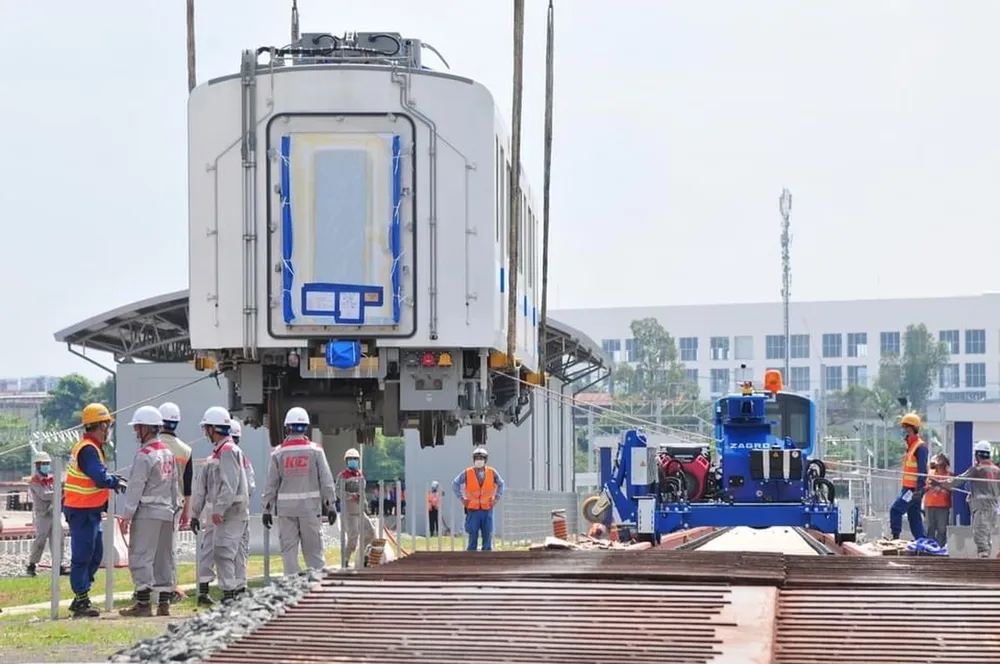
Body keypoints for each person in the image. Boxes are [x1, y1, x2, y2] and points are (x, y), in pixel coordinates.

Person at [63, 402, 126, 618]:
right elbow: (99, 478)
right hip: (80, 511)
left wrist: (113, 481)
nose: (108, 430)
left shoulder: (92, 448)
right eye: (107, 426)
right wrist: (114, 482)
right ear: (100, 426)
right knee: (83, 555)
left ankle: (81, 594)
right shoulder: (88, 449)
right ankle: (81, 600)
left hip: (90, 510)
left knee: (96, 553)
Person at [260, 407, 336, 575]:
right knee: (314, 553)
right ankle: (317, 589)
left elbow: (271, 484)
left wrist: (267, 509)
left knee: (289, 553)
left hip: (286, 511)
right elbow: (326, 479)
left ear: (288, 427)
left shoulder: (278, 452)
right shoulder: (316, 450)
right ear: (306, 427)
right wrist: (330, 505)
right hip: (310, 510)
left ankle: (293, 588)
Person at [118, 406, 179, 618]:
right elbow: (175, 486)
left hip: (147, 513)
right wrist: (175, 512)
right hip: (166, 512)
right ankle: (164, 603)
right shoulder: (168, 454)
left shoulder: (144, 455)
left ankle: (143, 603)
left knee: (141, 555)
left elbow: (136, 487)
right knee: (164, 558)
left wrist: (127, 515)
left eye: (137, 427)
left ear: (145, 428)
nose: (136, 432)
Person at [199, 406, 250, 602]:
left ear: (214, 428)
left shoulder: (227, 450)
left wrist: (219, 509)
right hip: (232, 510)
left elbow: (230, 484)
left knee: (224, 552)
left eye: (207, 429)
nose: (205, 433)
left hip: (231, 512)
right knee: (225, 553)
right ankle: (230, 593)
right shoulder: (223, 451)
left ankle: (230, 594)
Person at [931, 440, 1000, 558]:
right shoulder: (997, 470)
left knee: (980, 536)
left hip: (981, 507)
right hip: (993, 509)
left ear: (978, 455)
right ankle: (987, 560)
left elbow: (958, 480)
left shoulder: (977, 469)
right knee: (986, 535)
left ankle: (984, 564)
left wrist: (940, 483)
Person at [158, 402, 191, 603]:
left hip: (151, 504)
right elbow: (188, 486)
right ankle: (171, 586)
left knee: (150, 548)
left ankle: (151, 588)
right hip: (175, 505)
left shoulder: (152, 447)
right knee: (170, 548)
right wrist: (187, 511)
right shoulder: (185, 450)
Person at [452, 447, 505, 551]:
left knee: (487, 534)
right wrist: (462, 498)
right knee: (473, 534)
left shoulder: (492, 472)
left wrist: (497, 498)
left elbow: (501, 484)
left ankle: (487, 558)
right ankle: (471, 559)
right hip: (473, 510)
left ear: (485, 460)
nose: (479, 460)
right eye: (477, 458)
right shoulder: (467, 473)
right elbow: (455, 484)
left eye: (481, 458)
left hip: (487, 509)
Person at [26, 451, 68, 577]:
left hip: (54, 513)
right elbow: (44, 495)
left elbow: (56, 494)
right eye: (43, 463)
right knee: (41, 540)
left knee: (58, 539)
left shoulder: (52, 479)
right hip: (43, 515)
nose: (46, 465)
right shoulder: (34, 481)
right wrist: (60, 491)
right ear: (38, 465)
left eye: (47, 463)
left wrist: (61, 490)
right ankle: (32, 565)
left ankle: (58, 565)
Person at [889, 412, 927, 541]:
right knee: (914, 517)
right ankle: (921, 541)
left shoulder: (920, 447)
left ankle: (895, 539)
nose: (903, 430)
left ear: (911, 428)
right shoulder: (911, 446)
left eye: (905, 427)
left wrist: (918, 489)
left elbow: (922, 470)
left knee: (895, 510)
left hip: (912, 490)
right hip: (909, 488)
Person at [230, 419, 256, 592]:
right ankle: (240, 586)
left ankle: (230, 588)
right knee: (240, 550)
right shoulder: (243, 458)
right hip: (242, 512)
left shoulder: (224, 455)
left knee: (227, 551)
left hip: (226, 513)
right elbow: (251, 486)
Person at [335, 447, 369, 566]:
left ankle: (365, 556)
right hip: (349, 511)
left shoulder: (360, 475)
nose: (353, 461)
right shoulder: (342, 476)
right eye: (351, 459)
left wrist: (365, 505)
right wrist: (350, 496)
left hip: (360, 509)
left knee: (370, 532)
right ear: (347, 461)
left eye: (355, 459)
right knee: (353, 536)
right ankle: (346, 559)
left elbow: (363, 491)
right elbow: (337, 492)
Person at [924, 453, 953, 548]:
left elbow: (951, 488)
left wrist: (941, 488)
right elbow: (925, 486)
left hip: (943, 505)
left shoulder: (949, 475)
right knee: (930, 528)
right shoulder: (930, 473)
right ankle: (929, 548)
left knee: (942, 529)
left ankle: (940, 548)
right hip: (930, 504)